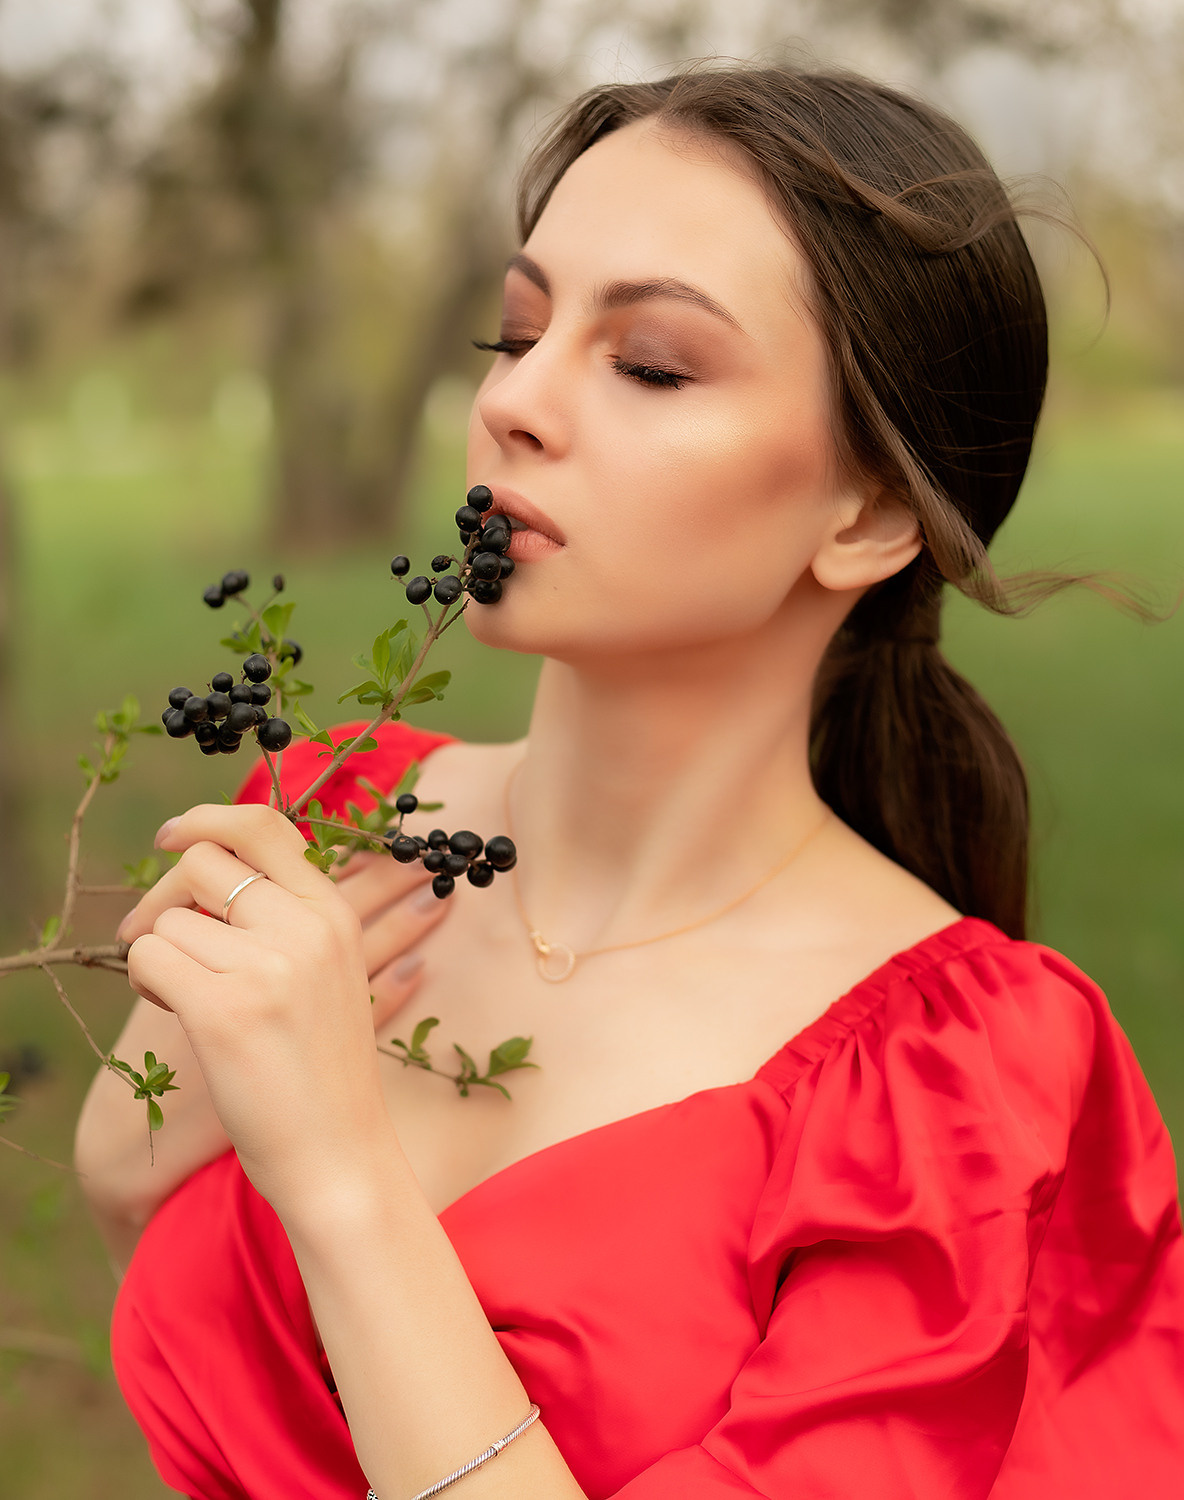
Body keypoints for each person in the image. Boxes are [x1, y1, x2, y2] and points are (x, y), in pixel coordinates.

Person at [75, 63, 1184, 1500]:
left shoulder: (954, 1087)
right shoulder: (338, 823)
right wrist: (130, 1156)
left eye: (650, 362)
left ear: (868, 516)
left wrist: (342, 1180)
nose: (516, 403)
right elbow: (189, 1350)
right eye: (517, 329)